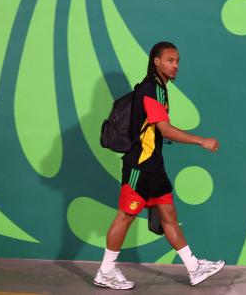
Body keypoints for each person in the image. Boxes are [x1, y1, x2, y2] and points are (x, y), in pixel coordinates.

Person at [94, 41, 225, 289]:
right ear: (156, 61)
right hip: (139, 168)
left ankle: (194, 268)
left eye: (177, 61)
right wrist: (201, 141)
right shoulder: (150, 89)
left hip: (155, 167)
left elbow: (156, 132)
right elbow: (165, 129)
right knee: (126, 216)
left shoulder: (162, 89)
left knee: (168, 216)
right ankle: (106, 271)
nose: (175, 66)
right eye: (169, 60)